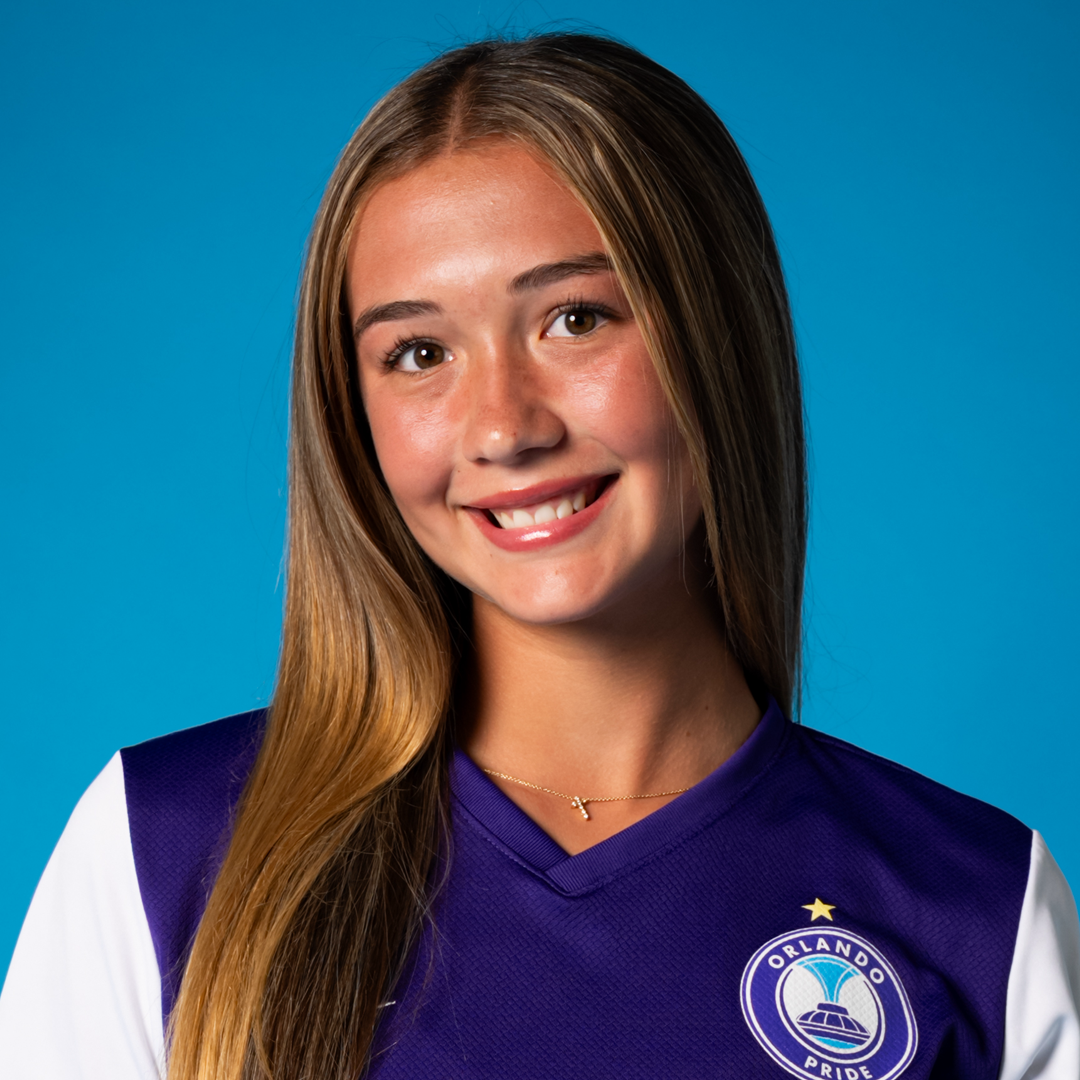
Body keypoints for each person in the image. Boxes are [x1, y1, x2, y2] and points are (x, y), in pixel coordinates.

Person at [0, 32, 1077, 1080]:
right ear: (352, 414)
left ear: (717, 334)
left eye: (574, 318)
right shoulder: (161, 854)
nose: (504, 425)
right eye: (419, 352)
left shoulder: (979, 911)